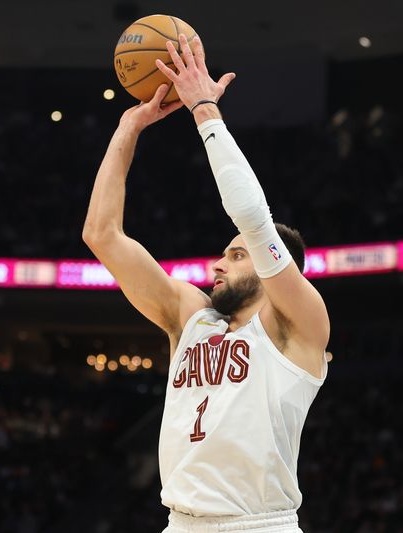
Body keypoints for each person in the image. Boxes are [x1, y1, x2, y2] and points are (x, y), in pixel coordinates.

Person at [82, 33, 330, 533]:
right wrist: (128, 128)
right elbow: (101, 234)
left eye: (236, 255)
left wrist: (204, 111)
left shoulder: (298, 327)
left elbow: (254, 219)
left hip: (260, 526)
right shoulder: (189, 317)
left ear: (270, 267)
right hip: (181, 523)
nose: (218, 264)